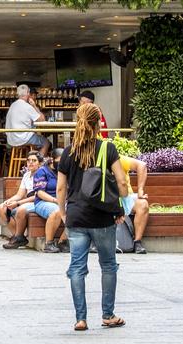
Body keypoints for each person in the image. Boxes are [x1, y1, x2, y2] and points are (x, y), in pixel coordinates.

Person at [56, 103, 129, 331]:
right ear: (98, 123)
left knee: (77, 268)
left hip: (76, 217)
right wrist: (122, 204)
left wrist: (63, 213)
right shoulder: (107, 148)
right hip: (103, 217)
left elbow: (60, 188)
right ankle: (108, 315)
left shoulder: (68, 152)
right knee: (108, 265)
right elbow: (122, 182)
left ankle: (80, 318)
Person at [0, 150, 42, 249]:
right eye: (29, 160)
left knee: (20, 209)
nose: (30, 162)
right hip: (27, 201)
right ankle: (18, 237)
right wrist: (9, 201)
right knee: (2, 208)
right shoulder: (27, 175)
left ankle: (17, 238)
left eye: (34, 160)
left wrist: (18, 203)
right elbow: (20, 194)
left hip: (37, 201)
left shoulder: (41, 174)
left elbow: (37, 196)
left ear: (39, 163)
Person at [34, 148, 69, 253]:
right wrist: (55, 200)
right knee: (57, 211)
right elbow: (40, 192)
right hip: (43, 202)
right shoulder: (42, 171)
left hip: (63, 201)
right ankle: (49, 243)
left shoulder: (66, 171)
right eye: (60, 160)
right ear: (52, 159)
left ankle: (63, 241)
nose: (62, 163)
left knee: (77, 211)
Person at [5, 84, 49, 156]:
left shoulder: (12, 105)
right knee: (46, 142)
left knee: (35, 142)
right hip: (23, 139)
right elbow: (42, 120)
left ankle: (31, 161)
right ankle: (38, 164)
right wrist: (34, 106)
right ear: (28, 93)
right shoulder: (27, 106)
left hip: (11, 140)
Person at [119, 155, 150, 254]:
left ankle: (137, 242)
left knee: (143, 204)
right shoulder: (91, 159)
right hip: (104, 199)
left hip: (125, 197)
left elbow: (142, 165)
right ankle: (94, 243)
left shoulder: (118, 158)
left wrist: (140, 190)